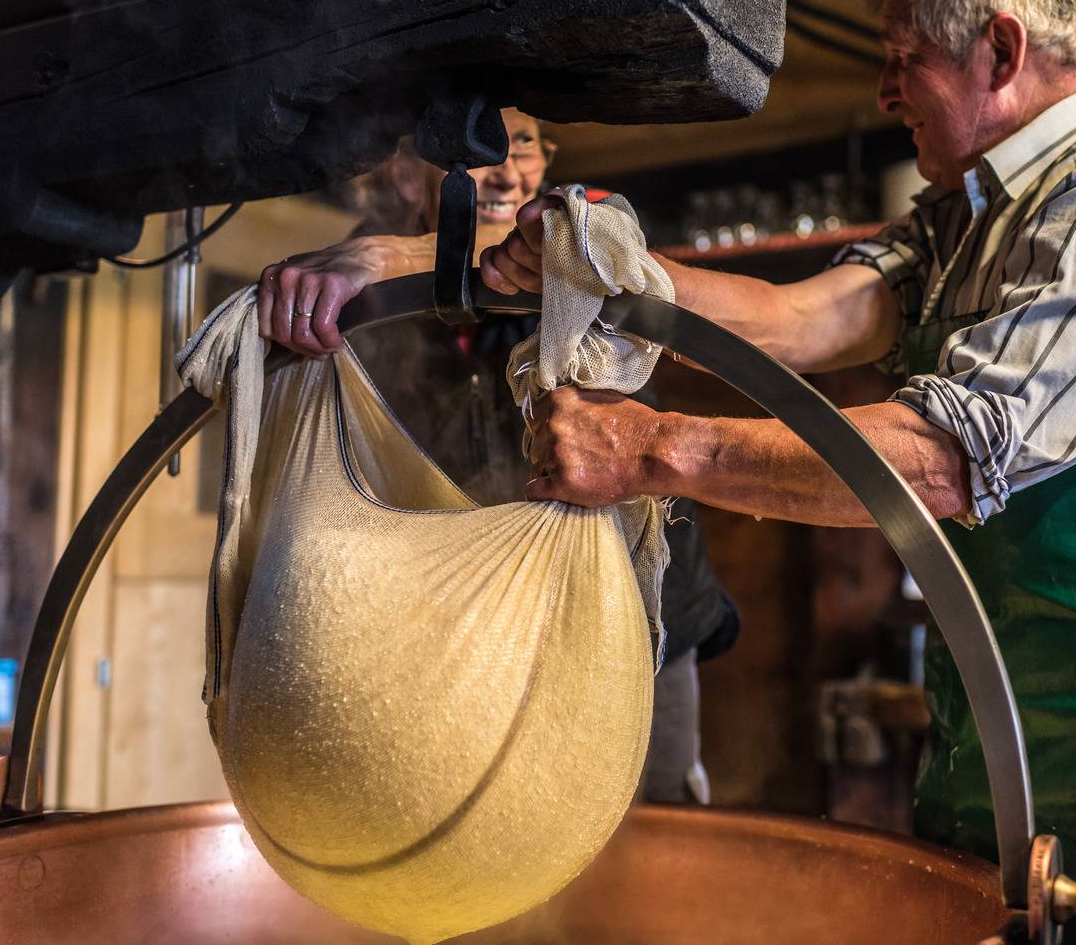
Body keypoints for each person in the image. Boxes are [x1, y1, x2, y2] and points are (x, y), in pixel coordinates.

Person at [478, 0, 1076, 944]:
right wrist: (618, 270)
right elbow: (803, 321)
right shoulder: (966, 211)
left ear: (1001, 48)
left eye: (904, 60)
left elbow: (937, 463)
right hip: (1006, 741)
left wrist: (652, 447)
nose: (886, 91)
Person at [256, 108, 737, 806]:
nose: (509, 172)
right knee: (474, 819)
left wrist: (392, 256)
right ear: (400, 168)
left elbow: (553, 237)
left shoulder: (581, 230)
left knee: (650, 817)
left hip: (630, 611)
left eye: (525, 146)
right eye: (483, 150)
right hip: (457, 631)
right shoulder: (353, 296)